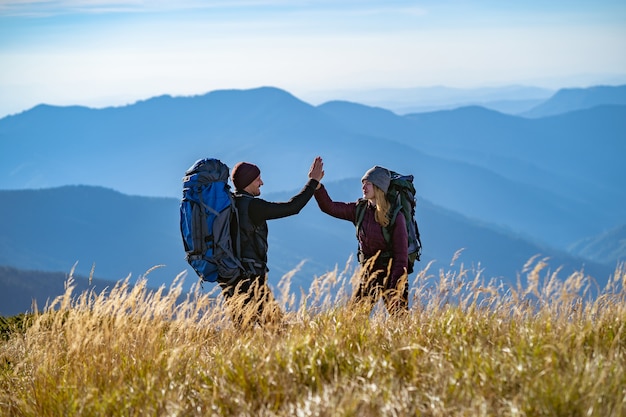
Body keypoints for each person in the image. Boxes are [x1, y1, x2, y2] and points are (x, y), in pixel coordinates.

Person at [219, 156, 324, 328]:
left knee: (243, 335)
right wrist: (312, 182)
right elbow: (292, 207)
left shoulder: (229, 205)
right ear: (248, 182)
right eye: (257, 179)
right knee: (278, 332)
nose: (262, 183)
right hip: (252, 279)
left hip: (230, 278)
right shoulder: (253, 207)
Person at [314, 165, 409, 316]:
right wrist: (316, 185)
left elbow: (401, 258)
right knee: (354, 319)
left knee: (401, 322)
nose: (363, 187)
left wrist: (395, 290)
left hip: (392, 276)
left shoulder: (396, 217)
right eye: (363, 183)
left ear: (378, 187)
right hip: (369, 275)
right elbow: (330, 207)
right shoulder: (360, 210)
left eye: (368, 183)